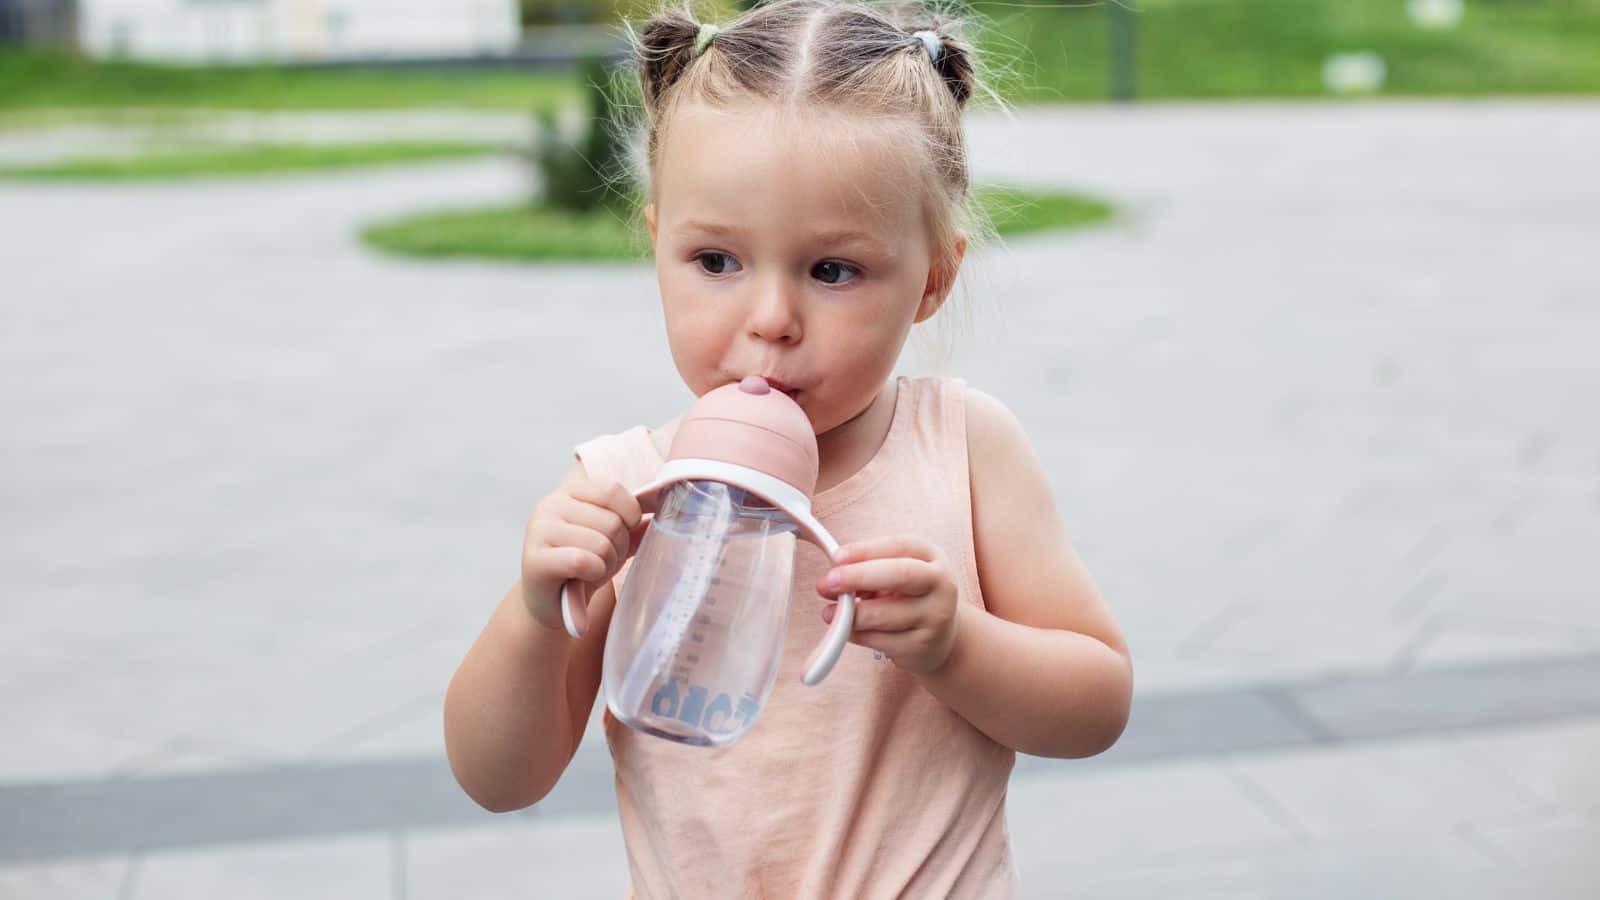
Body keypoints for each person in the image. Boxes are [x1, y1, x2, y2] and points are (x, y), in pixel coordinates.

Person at [444, 1, 1133, 895]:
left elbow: (1097, 705)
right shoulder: (624, 489)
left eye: (832, 270)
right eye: (717, 262)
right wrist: (537, 616)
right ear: (657, 246)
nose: (771, 321)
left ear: (932, 278)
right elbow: (498, 779)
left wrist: (957, 643)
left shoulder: (962, 449)